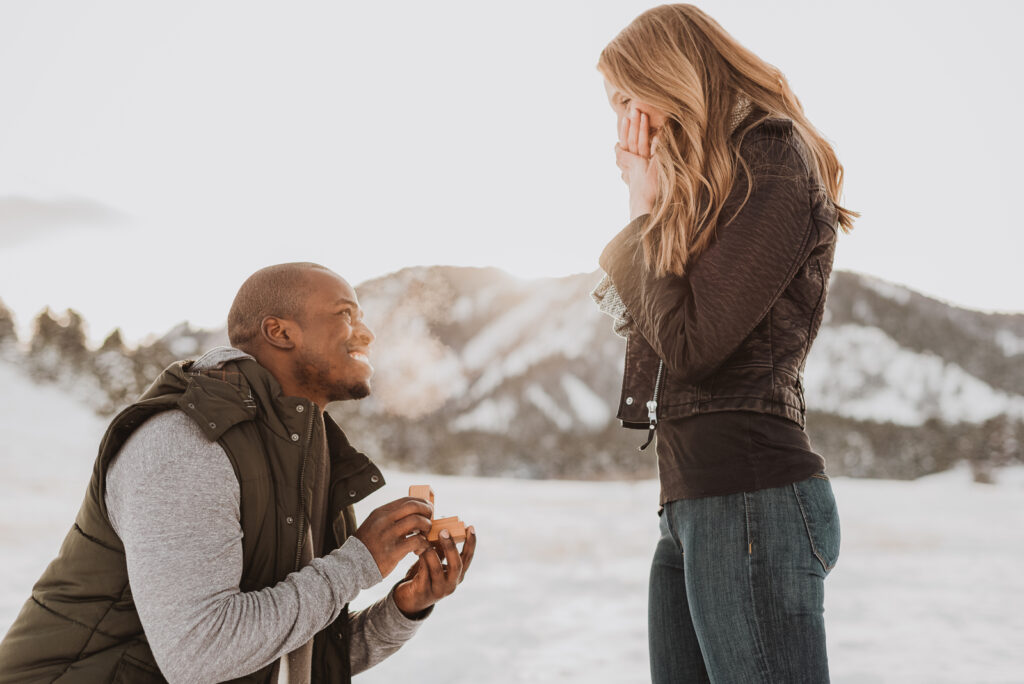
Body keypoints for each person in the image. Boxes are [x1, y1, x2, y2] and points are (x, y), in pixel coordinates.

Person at [0, 262, 477, 684]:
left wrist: (404, 607)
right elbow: (202, 653)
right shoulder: (188, 442)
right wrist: (359, 561)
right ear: (280, 331)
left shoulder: (307, 461)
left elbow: (290, 658)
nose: (366, 333)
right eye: (345, 314)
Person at [592, 5, 853, 682]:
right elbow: (660, 341)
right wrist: (653, 209)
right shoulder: (714, 189)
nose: (622, 124)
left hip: (748, 502)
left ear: (667, 79)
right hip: (694, 505)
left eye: (626, 99)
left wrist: (645, 213)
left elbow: (694, 346)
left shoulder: (774, 157)